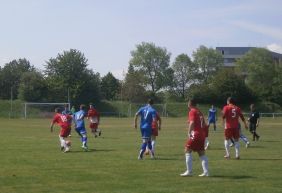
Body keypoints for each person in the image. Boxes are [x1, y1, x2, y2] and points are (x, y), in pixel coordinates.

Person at [180, 99, 209, 177]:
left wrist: (189, 132)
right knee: (201, 153)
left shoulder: (192, 111)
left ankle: (189, 171)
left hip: (195, 134)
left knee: (187, 150)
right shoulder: (199, 111)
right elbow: (203, 125)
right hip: (202, 134)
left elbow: (192, 123)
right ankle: (206, 172)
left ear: (190, 104)